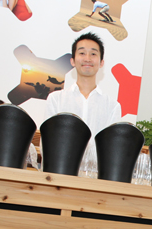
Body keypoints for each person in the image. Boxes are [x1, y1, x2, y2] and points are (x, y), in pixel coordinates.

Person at [44, 32, 121, 176]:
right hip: (60, 175)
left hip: (96, 180)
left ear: (101, 62)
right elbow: (47, 143)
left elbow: (112, 151)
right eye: (82, 53)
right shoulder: (56, 99)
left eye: (93, 54)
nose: (87, 58)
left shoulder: (112, 107)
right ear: (73, 61)